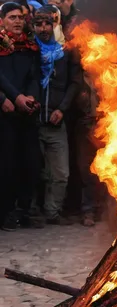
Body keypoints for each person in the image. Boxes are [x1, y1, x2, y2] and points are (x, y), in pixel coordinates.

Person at [33, 6, 81, 225]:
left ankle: (53, 212)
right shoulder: (28, 50)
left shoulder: (66, 50)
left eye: (48, 23)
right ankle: (31, 212)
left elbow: (74, 82)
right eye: (39, 24)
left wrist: (62, 108)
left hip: (56, 120)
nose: (44, 28)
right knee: (33, 170)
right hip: (31, 121)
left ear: (56, 24)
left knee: (61, 173)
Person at [0, 2, 41, 231]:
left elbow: (34, 76)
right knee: (7, 166)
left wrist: (31, 97)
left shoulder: (29, 44)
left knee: (32, 163)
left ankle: (23, 210)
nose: (18, 21)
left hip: (25, 112)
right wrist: (10, 98)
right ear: (3, 20)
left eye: (21, 18)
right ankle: (4, 213)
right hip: (4, 112)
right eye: (12, 17)